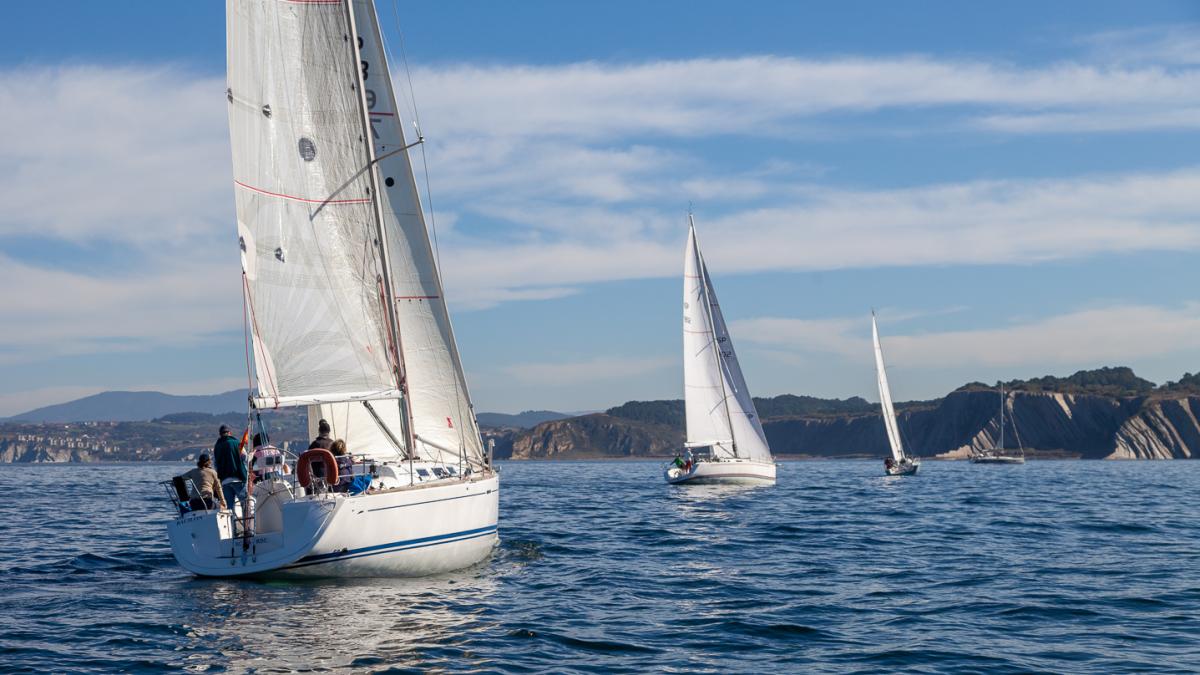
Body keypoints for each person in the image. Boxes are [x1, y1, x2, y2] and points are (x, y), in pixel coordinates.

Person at [213, 424, 248, 518]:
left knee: (229, 508)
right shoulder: (236, 443)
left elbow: (215, 465)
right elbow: (245, 457)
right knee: (245, 505)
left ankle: (232, 529)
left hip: (224, 481)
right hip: (238, 478)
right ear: (230, 433)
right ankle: (248, 528)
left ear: (220, 434)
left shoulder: (217, 447)